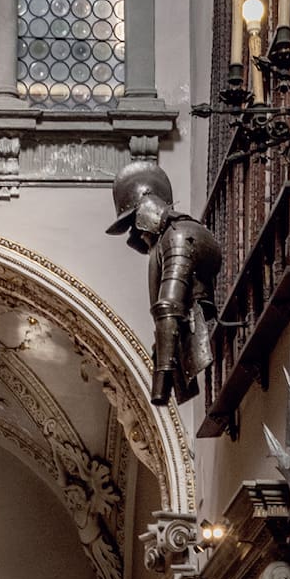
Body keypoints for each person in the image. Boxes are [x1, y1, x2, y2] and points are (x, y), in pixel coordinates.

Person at [106, 161, 222, 410]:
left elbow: (169, 305)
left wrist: (162, 378)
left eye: (132, 223)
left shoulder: (179, 236)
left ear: (145, 209)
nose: (135, 235)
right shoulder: (175, 235)